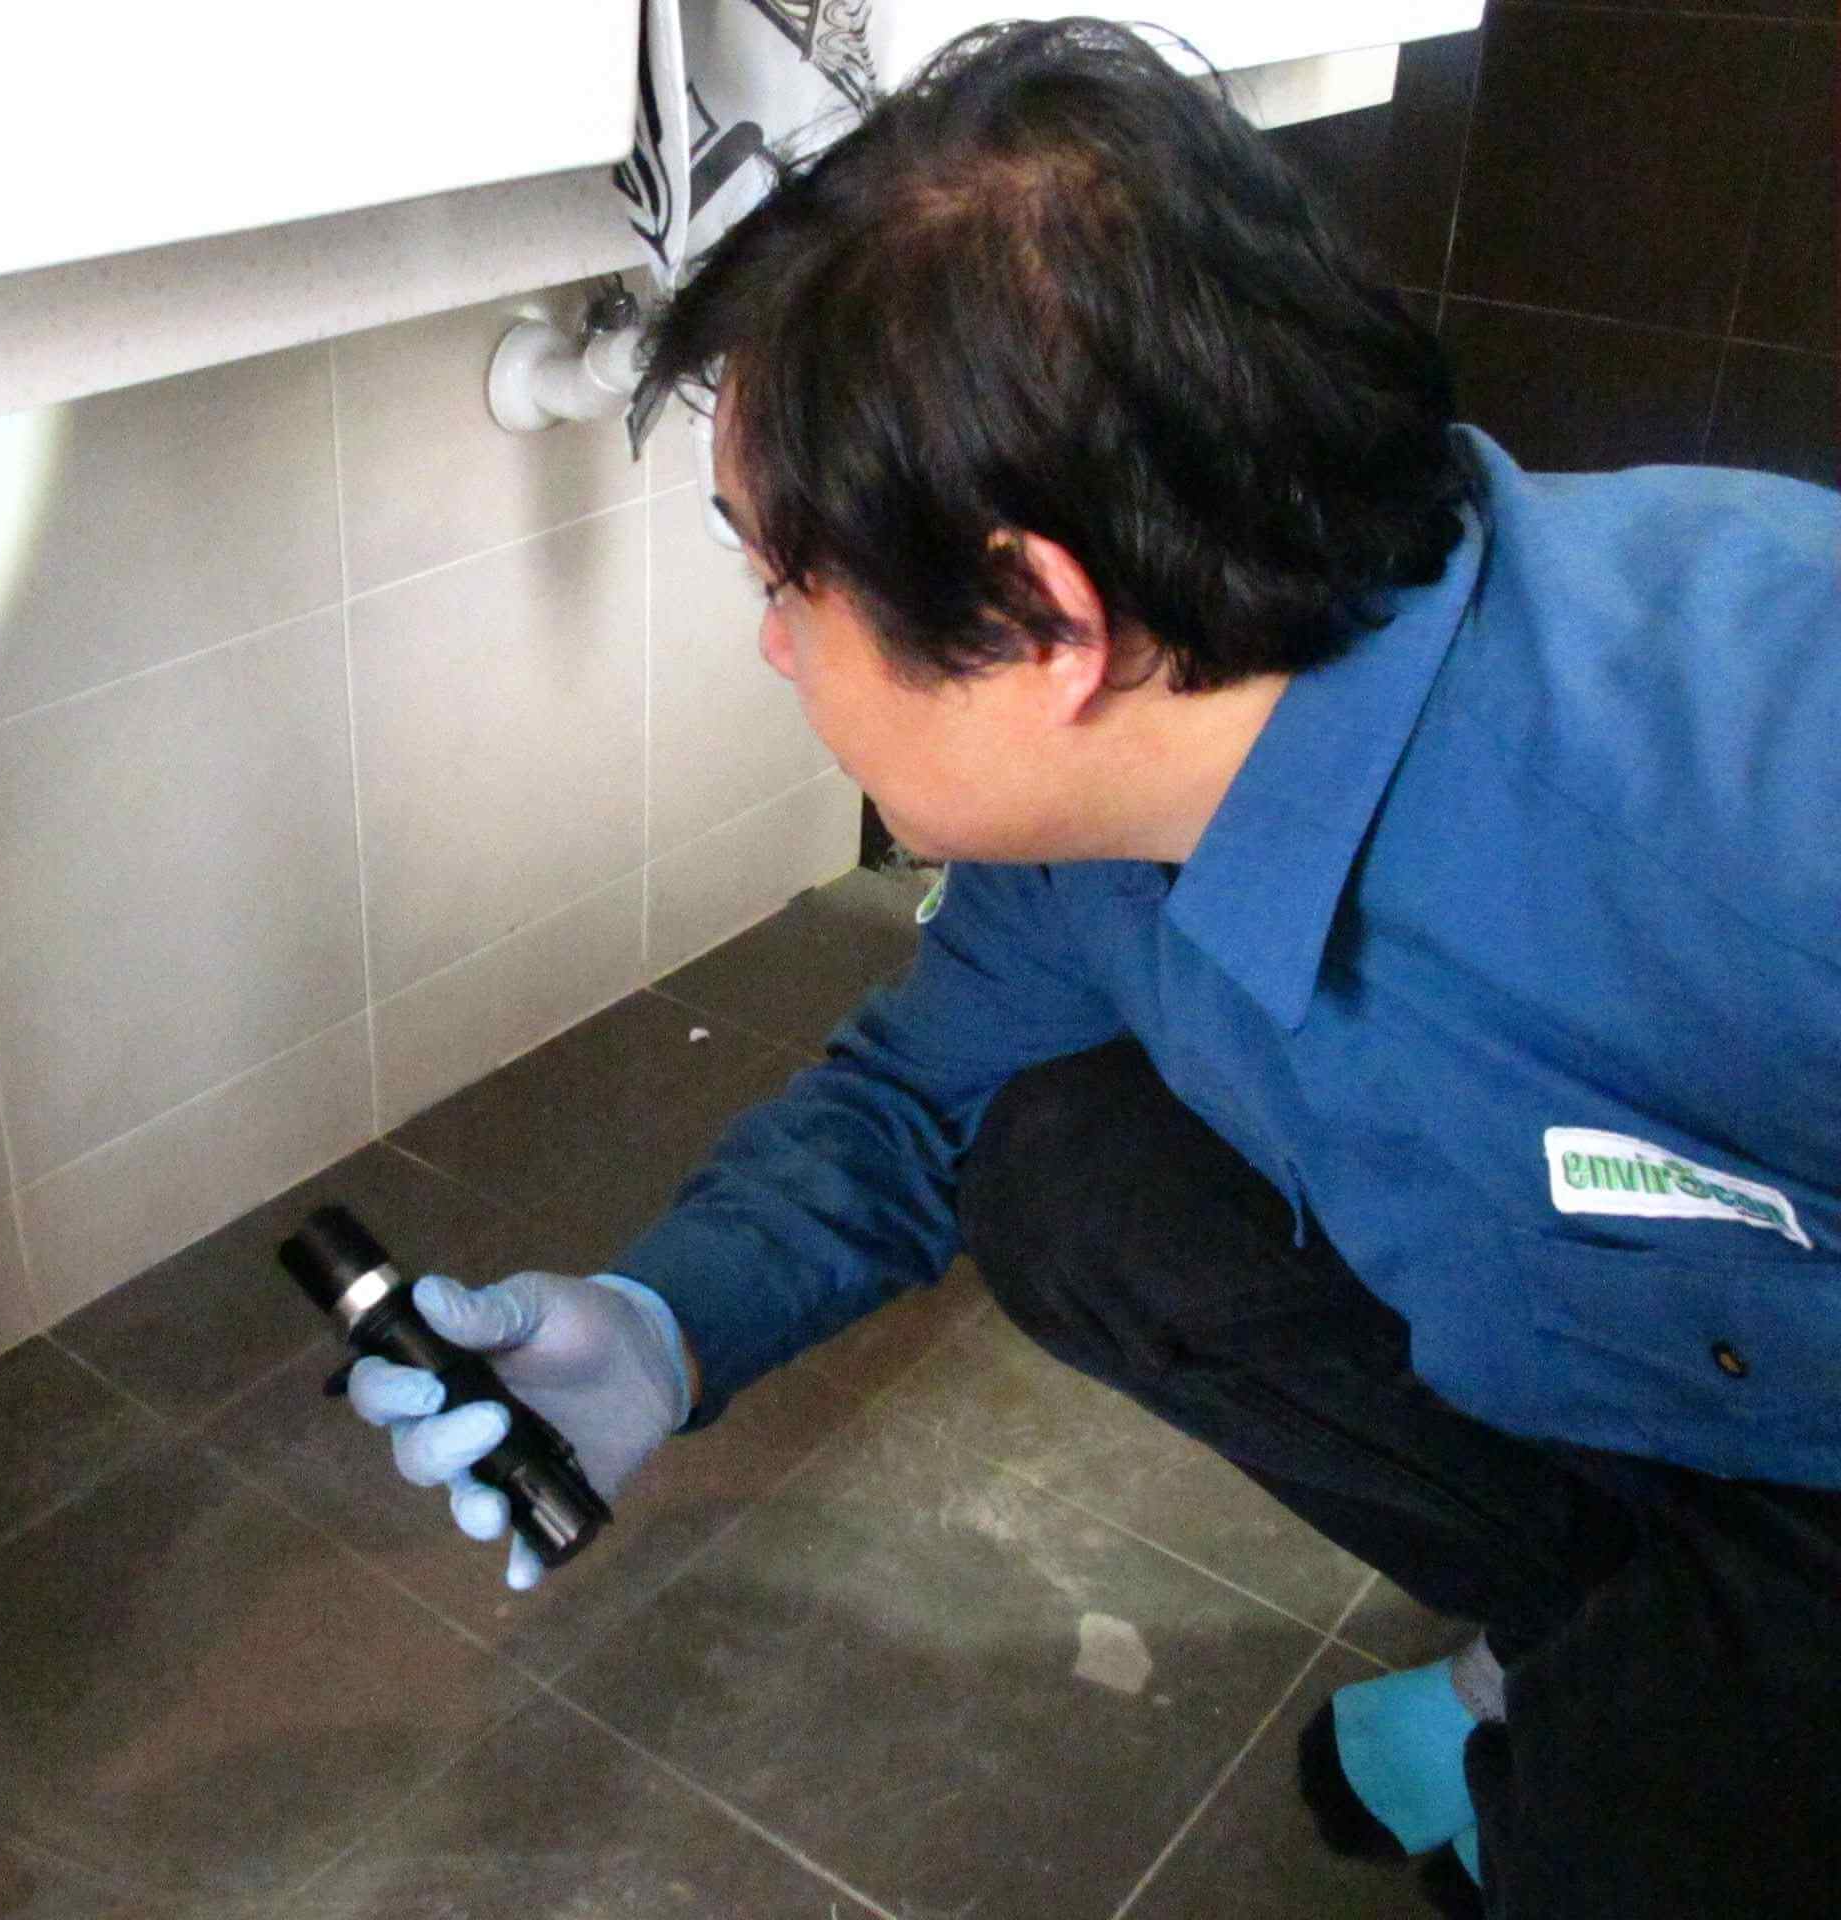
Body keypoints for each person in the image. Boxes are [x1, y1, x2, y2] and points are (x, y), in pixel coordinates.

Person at [345, 19, 1841, 1918]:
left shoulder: (1763, 763)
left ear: (1044, 619)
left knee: (1629, 1836)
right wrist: (661, 1326)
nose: (778, 653)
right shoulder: (1127, 804)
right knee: (1059, 1171)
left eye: (782, 583)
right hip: (1663, 1397)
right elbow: (908, 1102)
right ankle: (1578, 1632)